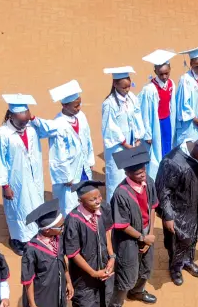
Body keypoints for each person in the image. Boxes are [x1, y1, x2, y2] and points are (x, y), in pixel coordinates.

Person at [155, 129, 198, 286]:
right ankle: (175, 267)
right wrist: (168, 216)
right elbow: (163, 191)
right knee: (177, 240)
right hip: (178, 209)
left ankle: (188, 261)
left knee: (193, 235)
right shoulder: (172, 162)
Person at [0, 94, 54, 255]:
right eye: (22, 118)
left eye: (27, 117)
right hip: (15, 181)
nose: (25, 121)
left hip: (34, 177)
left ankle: (34, 236)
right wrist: (5, 186)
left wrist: (32, 118)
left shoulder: (33, 128)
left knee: (35, 205)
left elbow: (51, 129)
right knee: (18, 210)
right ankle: (19, 240)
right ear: (12, 115)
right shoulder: (2, 134)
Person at [107, 145, 158, 307]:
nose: (142, 175)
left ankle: (137, 291)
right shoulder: (121, 193)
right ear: (128, 173)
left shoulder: (149, 182)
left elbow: (152, 207)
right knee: (127, 272)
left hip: (146, 232)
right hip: (128, 239)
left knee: (146, 267)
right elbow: (122, 225)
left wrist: (150, 234)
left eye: (143, 170)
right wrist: (142, 238)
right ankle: (115, 304)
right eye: (137, 173)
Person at [64, 181, 115, 307]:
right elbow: (73, 253)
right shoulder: (73, 220)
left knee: (103, 299)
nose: (98, 200)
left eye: (99, 196)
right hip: (84, 274)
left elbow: (108, 231)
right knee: (84, 304)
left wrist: (111, 256)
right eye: (93, 199)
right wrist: (93, 272)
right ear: (81, 200)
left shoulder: (103, 210)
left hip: (104, 267)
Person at [21, 199, 74, 307]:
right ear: (47, 230)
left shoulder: (57, 240)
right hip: (40, 297)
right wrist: (33, 306)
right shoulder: (31, 250)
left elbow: (62, 260)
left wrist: (68, 281)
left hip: (57, 292)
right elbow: (28, 281)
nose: (63, 229)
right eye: (60, 227)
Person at [48, 80, 95, 216]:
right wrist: (66, 175)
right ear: (64, 105)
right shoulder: (58, 124)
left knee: (85, 196)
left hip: (83, 166)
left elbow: (88, 139)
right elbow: (57, 153)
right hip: (70, 172)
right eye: (75, 106)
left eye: (79, 104)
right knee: (70, 203)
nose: (79, 108)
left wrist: (90, 160)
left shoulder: (81, 117)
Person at [102, 68, 146, 204]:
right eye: (124, 87)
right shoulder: (109, 104)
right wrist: (126, 144)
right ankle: (114, 210)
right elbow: (110, 127)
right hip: (118, 148)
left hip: (132, 144)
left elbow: (138, 116)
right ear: (115, 85)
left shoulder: (132, 98)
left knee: (132, 177)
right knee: (117, 179)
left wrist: (138, 137)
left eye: (128, 86)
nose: (127, 90)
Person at [138, 50, 177, 179]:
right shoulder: (149, 90)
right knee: (155, 152)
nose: (164, 77)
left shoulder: (171, 84)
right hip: (156, 124)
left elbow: (172, 104)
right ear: (155, 72)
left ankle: (167, 173)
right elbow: (145, 112)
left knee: (167, 147)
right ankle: (156, 178)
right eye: (161, 74)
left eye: (167, 73)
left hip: (167, 122)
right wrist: (148, 132)